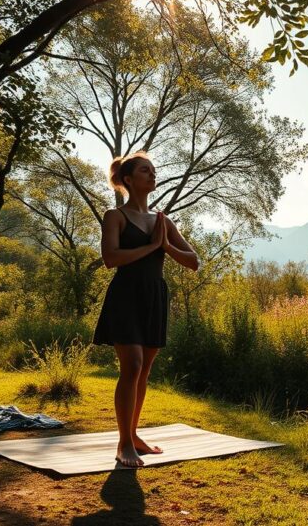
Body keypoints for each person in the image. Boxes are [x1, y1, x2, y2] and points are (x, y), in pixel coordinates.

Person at [93, 151, 199, 467]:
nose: (152, 175)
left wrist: (165, 244)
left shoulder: (162, 221)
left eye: (153, 170)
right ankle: (123, 443)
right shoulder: (115, 216)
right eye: (144, 171)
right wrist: (151, 247)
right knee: (133, 364)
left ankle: (134, 435)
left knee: (144, 369)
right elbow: (111, 258)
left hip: (154, 296)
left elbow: (193, 261)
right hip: (126, 294)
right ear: (128, 179)